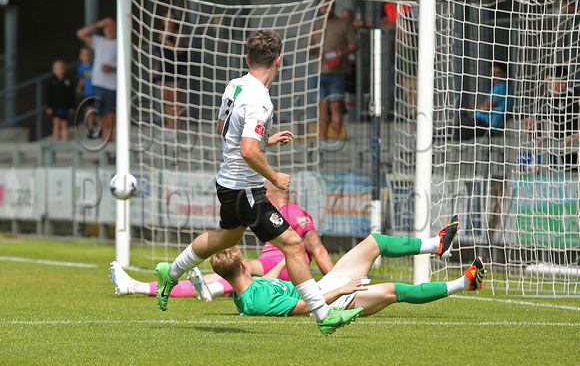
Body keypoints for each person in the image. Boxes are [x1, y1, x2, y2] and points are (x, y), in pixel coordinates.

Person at [154, 30, 363, 336]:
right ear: (279, 60)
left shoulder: (235, 85)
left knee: (223, 239)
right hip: (245, 188)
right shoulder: (262, 102)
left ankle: (170, 271)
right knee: (294, 244)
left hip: (227, 182)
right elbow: (248, 150)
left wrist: (265, 138)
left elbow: (222, 128)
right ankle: (323, 315)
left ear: (247, 59)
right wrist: (274, 176)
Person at [209, 216, 485, 318]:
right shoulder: (255, 303)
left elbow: (266, 280)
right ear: (244, 264)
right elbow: (306, 308)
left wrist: (286, 257)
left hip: (321, 287)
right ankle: (464, 283)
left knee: (374, 242)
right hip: (329, 302)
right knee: (394, 290)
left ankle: (435, 246)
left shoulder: (244, 291)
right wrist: (342, 290)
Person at [108, 181, 334, 300]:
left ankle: (213, 288)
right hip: (271, 265)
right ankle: (139, 286)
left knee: (238, 268)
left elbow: (318, 249)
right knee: (227, 272)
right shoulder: (269, 210)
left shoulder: (293, 210)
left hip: (282, 266)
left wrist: (334, 281)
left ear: (270, 192)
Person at [310, 0, 357, 142]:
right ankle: (323, 141)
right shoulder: (315, 25)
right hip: (320, 71)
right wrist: (319, 51)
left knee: (336, 106)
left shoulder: (344, 25)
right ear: (320, 8)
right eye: (323, 7)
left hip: (338, 72)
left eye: (329, 6)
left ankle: (337, 140)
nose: (326, 9)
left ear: (334, 7)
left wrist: (342, 53)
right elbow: (307, 48)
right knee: (322, 107)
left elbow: (355, 44)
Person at [525, 66, 580, 169]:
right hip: (565, 145)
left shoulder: (574, 96)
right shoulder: (552, 99)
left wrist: (576, 136)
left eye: (551, 82)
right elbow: (561, 124)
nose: (548, 86)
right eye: (547, 82)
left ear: (563, 83)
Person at [76, 17, 117, 147]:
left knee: (112, 121)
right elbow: (80, 33)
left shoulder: (121, 43)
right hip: (99, 86)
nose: (110, 30)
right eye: (107, 27)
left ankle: (115, 154)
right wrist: (98, 24)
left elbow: (130, 66)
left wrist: (113, 69)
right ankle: (107, 153)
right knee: (102, 121)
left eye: (112, 27)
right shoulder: (100, 41)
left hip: (113, 87)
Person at [453, 62, 514, 141]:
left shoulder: (501, 86)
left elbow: (487, 106)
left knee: (454, 131)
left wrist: (473, 108)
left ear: (505, 74)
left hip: (485, 124)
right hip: (484, 124)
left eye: (498, 73)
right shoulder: (503, 88)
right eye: (492, 73)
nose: (494, 76)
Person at [154, 11, 187, 138]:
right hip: (163, 71)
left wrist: (165, 40)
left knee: (176, 102)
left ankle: (177, 130)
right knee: (166, 102)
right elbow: (159, 55)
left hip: (176, 71)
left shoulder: (177, 34)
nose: (169, 21)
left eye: (171, 18)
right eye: (166, 18)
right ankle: (170, 128)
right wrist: (156, 70)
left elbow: (179, 50)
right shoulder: (159, 35)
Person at [46, 60, 75, 141]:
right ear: (54, 70)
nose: (60, 69)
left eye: (62, 68)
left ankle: (65, 140)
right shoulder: (51, 81)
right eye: (58, 68)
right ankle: (56, 140)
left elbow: (71, 95)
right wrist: (49, 106)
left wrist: (72, 106)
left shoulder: (68, 80)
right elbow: (48, 95)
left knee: (65, 124)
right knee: (56, 123)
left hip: (65, 105)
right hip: (55, 106)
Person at [76, 46, 98, 139]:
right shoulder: (81, 68)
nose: (87, 57)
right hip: (88, 92)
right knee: (90, 111)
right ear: (81, 57)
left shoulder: (95, 65)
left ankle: (101, 128)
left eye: (88, 55)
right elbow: (82, 79)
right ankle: (90, 129)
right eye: (85, 55)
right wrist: (79, 87)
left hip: (97, 91)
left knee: (99, 111)